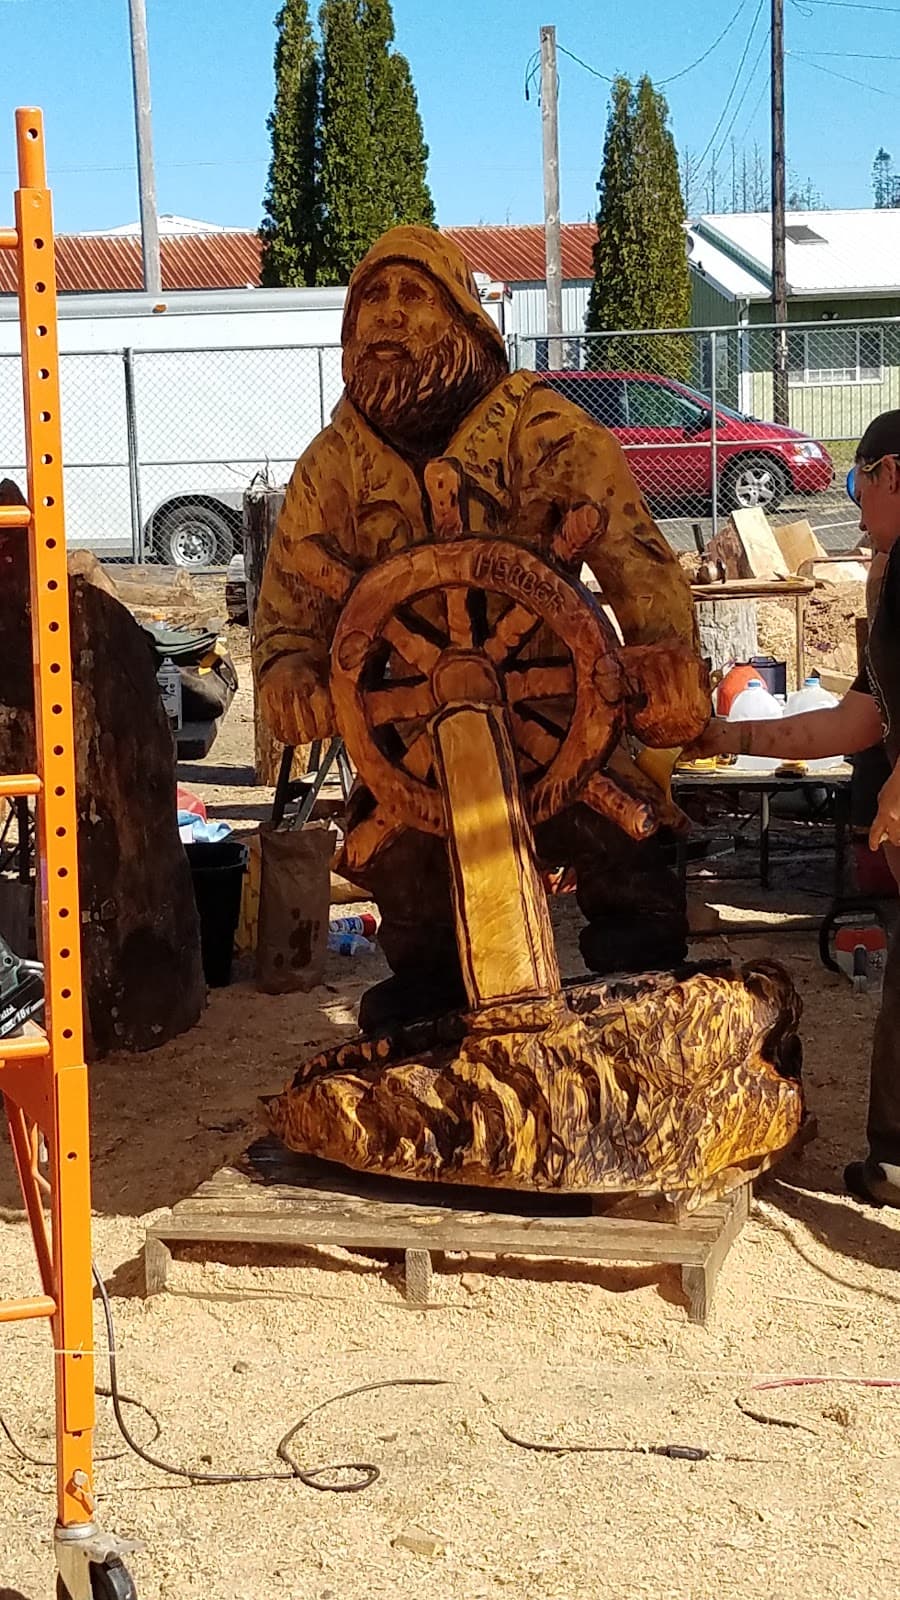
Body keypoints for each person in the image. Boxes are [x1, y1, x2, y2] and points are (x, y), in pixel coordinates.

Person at [255, 226, 706, 1026]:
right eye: (370, 299)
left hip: (562, 728)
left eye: (414, 295)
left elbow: (640, 563)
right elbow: (289, 611)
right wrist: (290, 675)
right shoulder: (331, 469)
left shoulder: (546, 434)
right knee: (404, 862)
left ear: (467, 322)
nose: (387, 316)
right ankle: (430, 982)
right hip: (414, 755)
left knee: (623, 839)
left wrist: (665, 654)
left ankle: (641, 972)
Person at [690, 409, 900, 1207]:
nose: (856, 504)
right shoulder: (892, 579)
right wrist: (736, 735)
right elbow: (859, 719)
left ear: (892, 475)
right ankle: (894, 1161)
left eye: (858, 482)